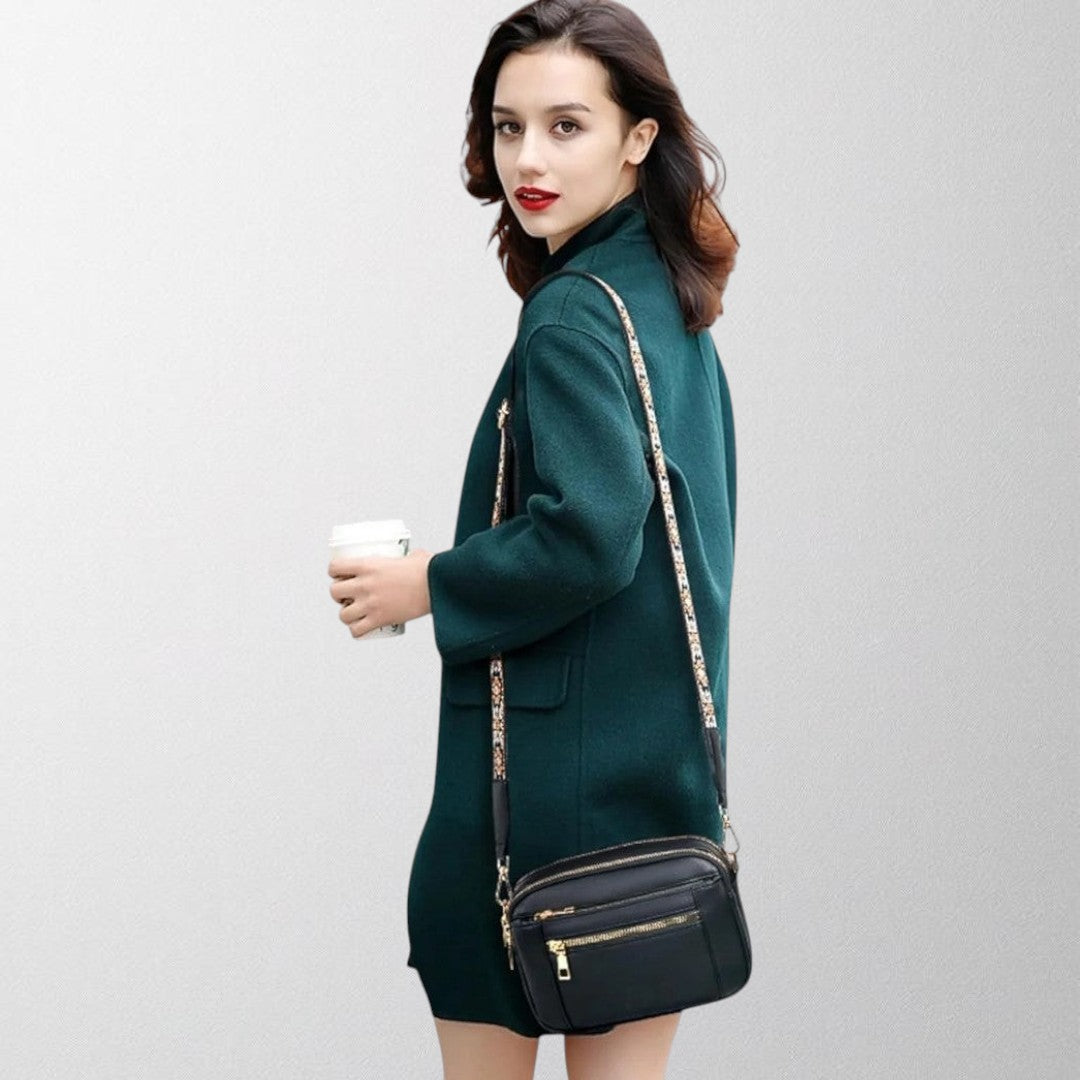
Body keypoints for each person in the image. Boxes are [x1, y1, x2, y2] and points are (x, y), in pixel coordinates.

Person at [328, 2, 739, 1077]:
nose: (528, 160)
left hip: (534, 811)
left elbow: (594, 537)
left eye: (566, 126)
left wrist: (427, 582)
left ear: (638, 137)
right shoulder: (665, 298)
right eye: (508, 127)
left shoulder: (572, 313)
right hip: (657, 800)